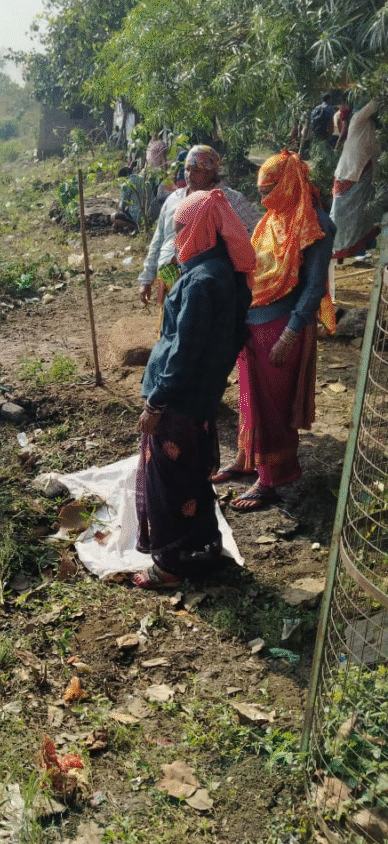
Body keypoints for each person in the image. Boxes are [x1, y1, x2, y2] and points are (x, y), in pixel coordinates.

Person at [133, 189, 255, 589]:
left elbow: (183, 351)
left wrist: (156, 403)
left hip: (178, 399)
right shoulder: (224, 271)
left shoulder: (203, 281)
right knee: (193, 475)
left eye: (182, 227)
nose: (177, 234)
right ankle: (203, 550)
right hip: (200, 395)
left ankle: (170, 565)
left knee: (169, 481)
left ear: (202, 229)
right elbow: (228, 338)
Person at [212, 150, 336, 512]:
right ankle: (245, 460)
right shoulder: (272, 219)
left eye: (270, 190)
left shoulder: (316, 225)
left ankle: (271, 480)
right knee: (249, 399)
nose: (264, 198)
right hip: (253, 324)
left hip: (280, 328)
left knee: (273, 407)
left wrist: (290, 334)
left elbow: (314, 286)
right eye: (261, 191)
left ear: (288, 185)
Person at [138, 146, 263, 309]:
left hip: (208, 283)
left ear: (212, 172)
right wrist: (146, 278)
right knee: (170, 321)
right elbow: (158, 240)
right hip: (170, 280)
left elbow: (258, 233)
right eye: (187, 169)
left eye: (196, 171)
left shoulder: (230, 200)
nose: (189, 175)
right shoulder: (173, 200)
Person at [330, 100, 382, 265]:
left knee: (360, 217)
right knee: (341, 216)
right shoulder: (358, 119)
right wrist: (382, 93)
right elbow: (374, 104)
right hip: (349, 173)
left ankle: (358, 252)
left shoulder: (372, 127)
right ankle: (338, 250)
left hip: (362, 174)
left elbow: (375, 151)